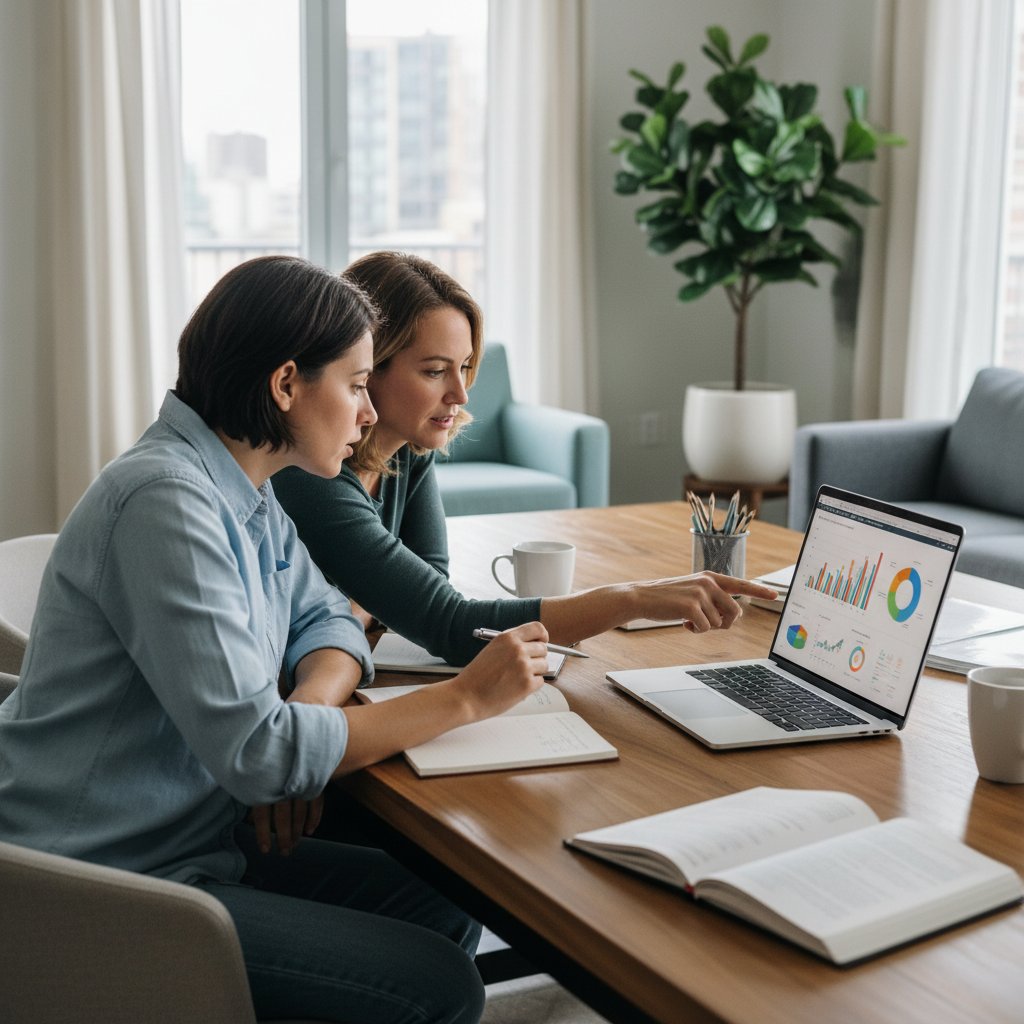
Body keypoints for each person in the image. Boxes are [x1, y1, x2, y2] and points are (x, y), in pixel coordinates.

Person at [0, 255, 553, 1024]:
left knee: (442, 899)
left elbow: (328, 620)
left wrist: (303, 712)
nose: (368, 415)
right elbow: (260, 754)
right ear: (287, 385)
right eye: (358, 384)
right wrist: (465, 698)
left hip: (193, 836)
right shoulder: (169, 502)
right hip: (94, 877)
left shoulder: (244, 488)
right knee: (436, 984)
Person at [273, 251, 775, 667]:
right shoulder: (312, 473)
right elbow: (450, 625)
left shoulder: (411, 451)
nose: (460, 394)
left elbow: (429, 582)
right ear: (365, 367)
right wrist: (632, 599)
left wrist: (364, 606)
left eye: (465, 367)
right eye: (433, 371)